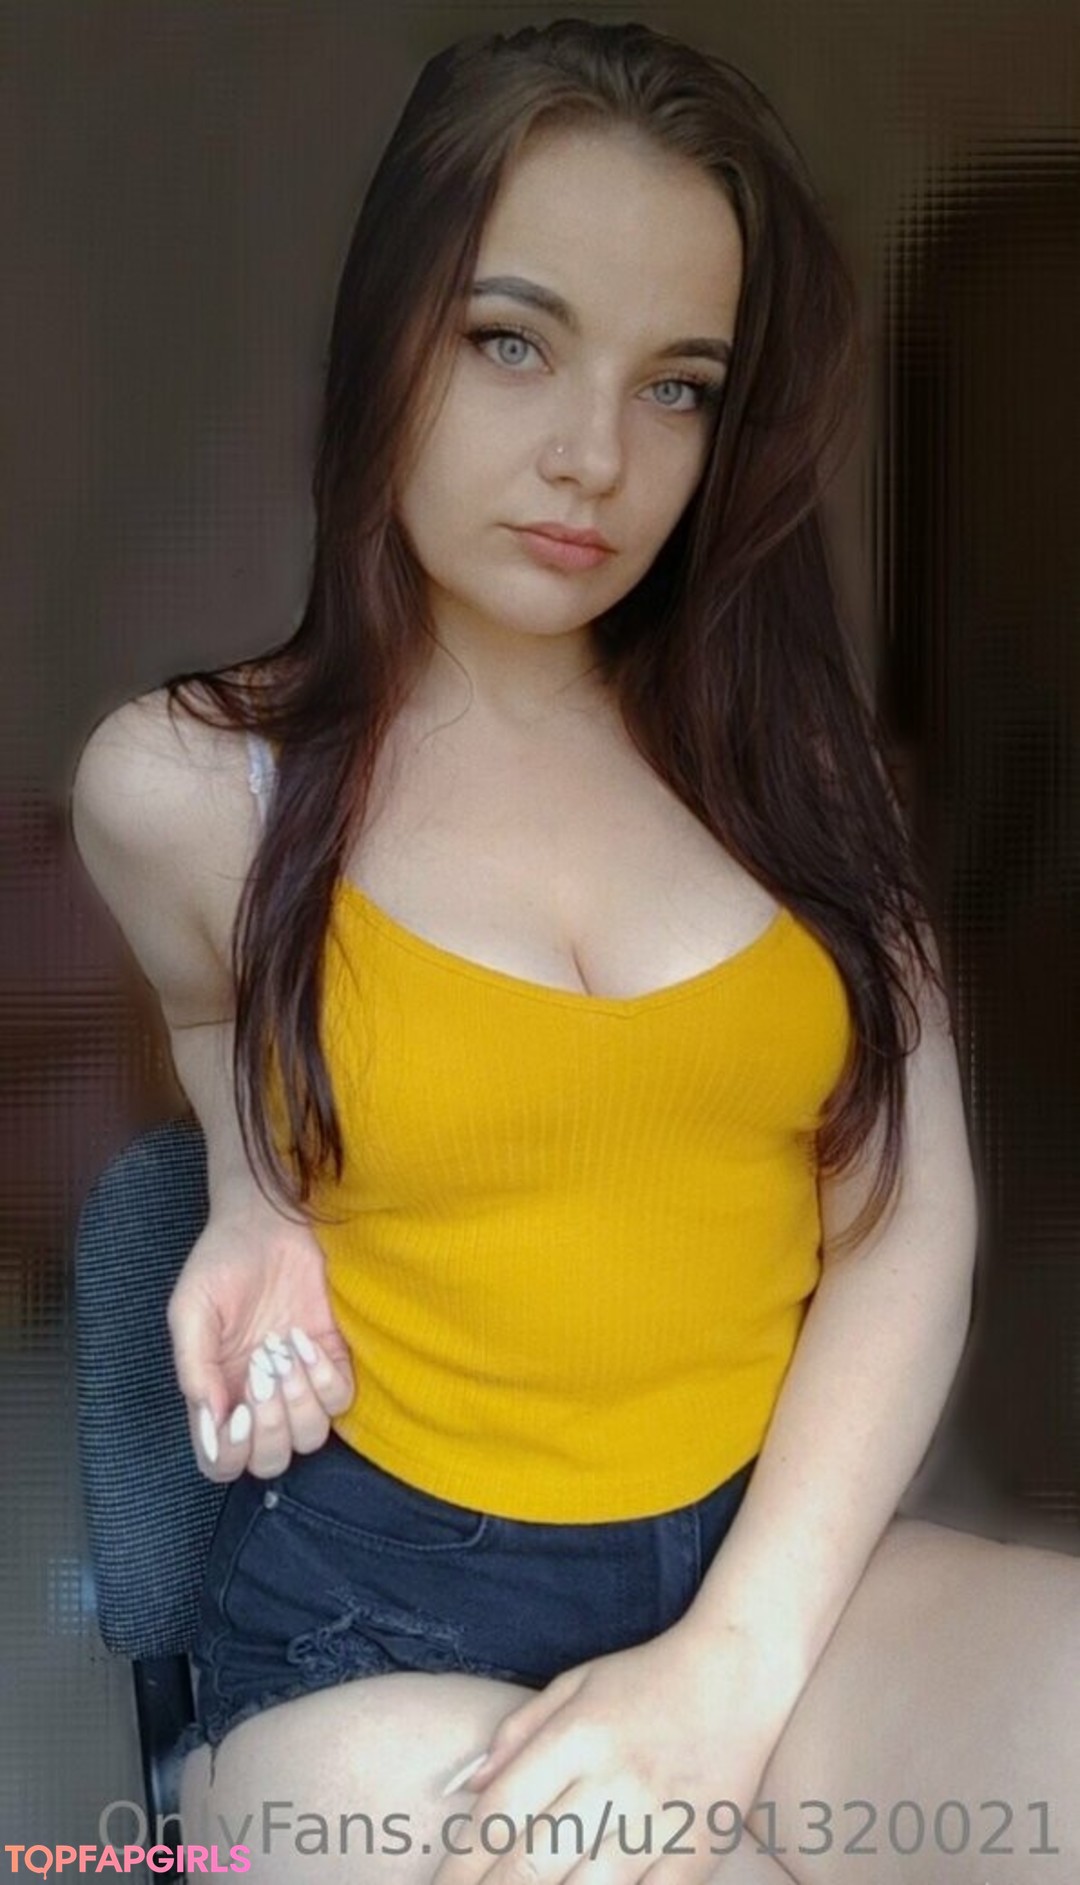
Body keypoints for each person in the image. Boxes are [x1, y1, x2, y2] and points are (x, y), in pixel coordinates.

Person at [70, 19, 1078, 1885]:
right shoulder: (190, 785)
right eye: (513, 341)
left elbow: (905, 1214)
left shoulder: (808, 775)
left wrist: (727, 1670)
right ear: (388, 331)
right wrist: (250, 1186)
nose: (595, 459)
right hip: (381, 1620)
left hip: (778, 1569)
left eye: (677, 385)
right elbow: (216, 1007)